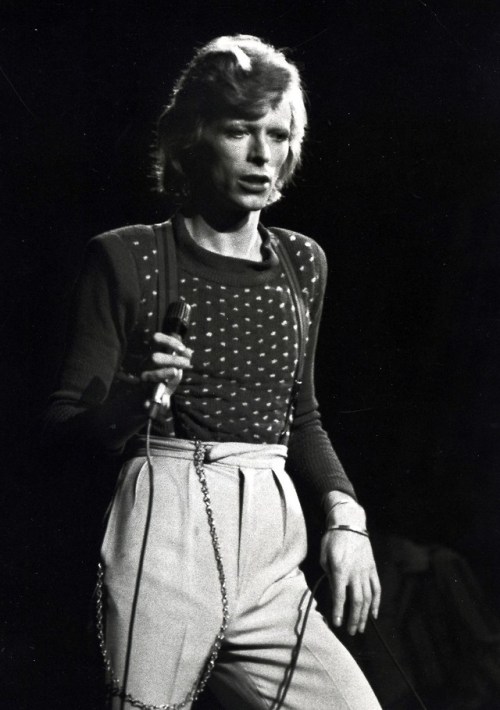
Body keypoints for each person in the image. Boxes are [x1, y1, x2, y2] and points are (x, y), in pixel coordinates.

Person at [44, 34, 382, 710]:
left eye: (280, 134)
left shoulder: (301, 263)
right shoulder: (127, 258)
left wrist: (348, 520)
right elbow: (61, 431)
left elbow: (302, 415)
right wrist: (134, 402)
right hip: (165, 535)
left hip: (271, 547)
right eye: (239, 131)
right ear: (194, 137)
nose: (264, 153)